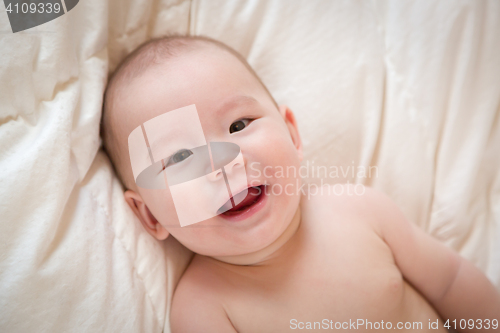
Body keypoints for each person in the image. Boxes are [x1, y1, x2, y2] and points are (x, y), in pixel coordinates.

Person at [101, 35, 500, 332]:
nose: (220, 163)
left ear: (292, 135)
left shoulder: (357, 209)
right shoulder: (204, 309)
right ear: (149, 215)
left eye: (238, 125)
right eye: (179, 157)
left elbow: (450, 282)